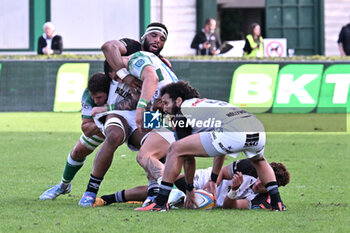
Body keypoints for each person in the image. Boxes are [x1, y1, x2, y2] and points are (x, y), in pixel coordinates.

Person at [135, 81, 285, 212]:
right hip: (256, 126)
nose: (165, 108)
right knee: (259, 161)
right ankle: (277, 203)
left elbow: (187, 157)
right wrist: (213, 179)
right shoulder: (203, 105)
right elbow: (222, 150)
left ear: (179, 101)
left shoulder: (183, 113)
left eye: (166, 103)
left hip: (234, 131)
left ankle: (159, 203)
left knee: (175, 149)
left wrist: (190, 189)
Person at [78, 49, 178, 207]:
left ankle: (154, 193)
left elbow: (144, 96)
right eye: (116, 76)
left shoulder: (140, 68)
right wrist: (106, 109)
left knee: (152, 148)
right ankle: (90, 191)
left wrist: (143, 104)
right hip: (119, 114)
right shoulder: (105, 81)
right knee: (114, 136)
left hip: (147, 112)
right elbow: (109, 47)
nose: (119, 79)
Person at [100, 22, 178, 208]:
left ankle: (171, 190)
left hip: (168, 115)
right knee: (156, 148)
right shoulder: (133, 49)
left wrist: (142, 107)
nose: (157, 40)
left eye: (162, 39)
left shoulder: (144, 59)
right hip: (170, 113)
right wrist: (124, 75)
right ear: (143, 37)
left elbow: (151, 79)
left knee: (146, 154)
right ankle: (160, 193)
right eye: (154, 35)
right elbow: (108, 47)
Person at [93, 159, 290, 210]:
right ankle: (107, 199)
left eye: (263, 185)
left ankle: (159, 197)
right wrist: (211, 184)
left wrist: (234, 190)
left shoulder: (263, 200)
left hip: (209, 203)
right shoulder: (250, 166)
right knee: (168, 183)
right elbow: (221, 171)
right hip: (203, 181)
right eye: (259, 180)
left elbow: (232, 206)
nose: (258, 184)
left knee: (166, 191)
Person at [39, 73, 110, 200]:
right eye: (94, 97)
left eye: (99, 97)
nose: (96, 101)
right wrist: (104, 120)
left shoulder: (119, 89)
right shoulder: (88, 94)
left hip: (130, 123)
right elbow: (87, 129)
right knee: (78, 151)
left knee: (147, 153)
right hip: (105, 126)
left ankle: (155, 190)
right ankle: (63, 185)